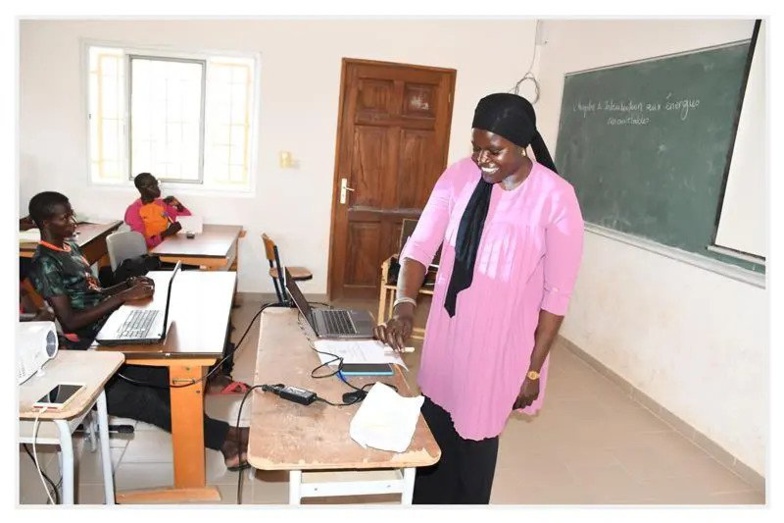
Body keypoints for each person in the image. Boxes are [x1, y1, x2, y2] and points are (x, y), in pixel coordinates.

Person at [374, 93, 584, 504]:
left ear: (521, 144)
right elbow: (419, 247)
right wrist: (403, 306)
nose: (482, 159)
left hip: (499, 344)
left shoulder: (555, 197)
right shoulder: (458, 177)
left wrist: (533, 371)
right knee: (432, 435)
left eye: (494, 150)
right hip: (448, 334)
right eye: (476, 148)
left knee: (474, 445)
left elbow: (557, 295)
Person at [27, 191, 248, 470]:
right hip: (90, 343)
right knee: (151, 390)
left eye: (71, 213)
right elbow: (70, 321)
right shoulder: (45, 263)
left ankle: (224, 439)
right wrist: (121, 298)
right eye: (64, 217)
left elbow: (93, 294)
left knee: (173, 375)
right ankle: (226, 438)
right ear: (45, 223)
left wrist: (126, 287)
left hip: (110, 323)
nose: (72, 221)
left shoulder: (69, 247)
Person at [124, 172, 191, 249]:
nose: (157, 188)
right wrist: (166, 233)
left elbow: (187, 218)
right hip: (149, 253)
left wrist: (179, 205)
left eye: (156, 183)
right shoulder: (133, 210)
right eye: (152, 185)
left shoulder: (161, 203)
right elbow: (140, 242)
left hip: (165, 247)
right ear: (142, 189)